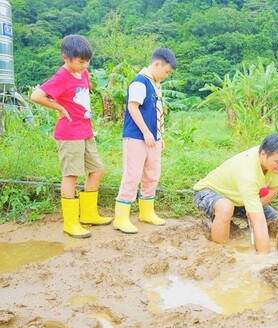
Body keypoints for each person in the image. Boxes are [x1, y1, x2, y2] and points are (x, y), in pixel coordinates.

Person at [30, 35, 112, 238]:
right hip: (69, 133)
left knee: (97, 170)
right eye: (80, 61)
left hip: (85, 130)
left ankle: (89, 214)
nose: (85, 65)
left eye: (87, 61)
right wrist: (58, 107)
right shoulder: (62, 77)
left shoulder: (82, 73)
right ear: (65, 58)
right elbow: (36, 96)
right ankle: (70, 223)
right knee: (72, 175)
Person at [113, 48, 177, 234]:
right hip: (136, 137)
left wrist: (159, 136)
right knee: (132, 175)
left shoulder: (156, 84)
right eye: (166, 72)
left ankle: (146, 212)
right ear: (157, 64)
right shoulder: (140, 82)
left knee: (152, 174)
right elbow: (133, 108)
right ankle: (121, 217)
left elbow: (156, 112)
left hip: (153, 139)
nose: (166, 76)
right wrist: (147, 133)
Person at [193, 133, 278, 253]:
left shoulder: (272, 163)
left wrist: (253, 209)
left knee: (274, 220)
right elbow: (258, 221)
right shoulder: (248, 172)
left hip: (240, 199)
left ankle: (237, 226)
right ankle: (219, 251)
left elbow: (273, 189)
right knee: (226, 208)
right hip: (208, 193)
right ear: (263, 155)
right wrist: (263, 258)